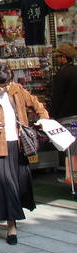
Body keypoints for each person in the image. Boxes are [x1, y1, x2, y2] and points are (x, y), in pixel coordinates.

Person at [0, 62, 49, 245]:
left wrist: (44, 119)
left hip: (19, 144)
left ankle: (16, 212)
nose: (6, 88)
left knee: (21, 183)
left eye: (8, 83)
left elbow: (35, 104)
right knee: (6, 187)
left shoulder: (17, 89)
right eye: (2, 85)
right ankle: (11, 227)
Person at [49, 43, 77, 184]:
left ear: (64, 58)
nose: (57, 60)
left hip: (67, 116)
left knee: (70, 150)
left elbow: (57, 97)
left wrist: (51, 115)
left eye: (58, 57)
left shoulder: (62, 74)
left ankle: (71, 178)